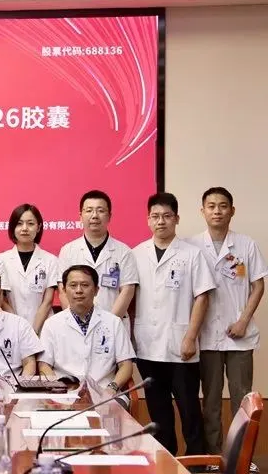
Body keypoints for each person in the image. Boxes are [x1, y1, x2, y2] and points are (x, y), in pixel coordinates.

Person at [132, 192, 216, 455]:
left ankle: (196, 461)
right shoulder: (136, 254)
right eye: (155, 216)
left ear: (177, 219)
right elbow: (130, 297)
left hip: (181, 347)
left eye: (167, 216)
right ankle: (165, 459)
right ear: (148, 220)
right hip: (148, 346)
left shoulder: (192, 254)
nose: (161, 221)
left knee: (189, 408)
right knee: (158, 411)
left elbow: (202, 297)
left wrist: (190, 337)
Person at [188, 187, 268, 456]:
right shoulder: (191, 246)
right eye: (211, 206)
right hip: (207, 336)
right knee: (210, 403)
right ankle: (214, 456)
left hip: (240, 337)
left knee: (242, 402)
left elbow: (258, 286)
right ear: (202, 211)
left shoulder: (246, 244)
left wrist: (243, 321)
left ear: (232, 211)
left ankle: (241, 458)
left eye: (223, 206)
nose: (217, 211)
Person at [38, 265, 135, 403]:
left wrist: (112, 388)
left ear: (96, 290)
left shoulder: (113, 322)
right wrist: (58, 388)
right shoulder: (51, 324)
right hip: (64, 394)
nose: (79, 290)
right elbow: (44, 365)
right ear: (64, 290)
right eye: (73, 285)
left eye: (85, 285)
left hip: (104, 393)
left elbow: (126, 365)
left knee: (109, 411)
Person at [58, 190, 139, 319]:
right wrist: (78, 322)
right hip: (77, 325)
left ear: (109, 216)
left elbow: (127, 291)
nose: (95, 215)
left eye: (100, 210)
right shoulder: (67, 251)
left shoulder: (124, 251)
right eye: (89, 210)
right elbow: (63, 291)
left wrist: (110, 324)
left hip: (114, 323)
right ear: (80, 216)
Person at [0, 204, 60, 334]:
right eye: (19, 224)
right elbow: (2, 300)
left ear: (39, 227)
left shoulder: (51, 260)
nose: (25, 228)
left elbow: (47, 301)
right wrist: (19, 329)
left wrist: (33, 332)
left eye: (30, 223)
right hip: (11, 328)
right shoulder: (0, 261)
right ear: (13, 227)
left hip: (43, 329)